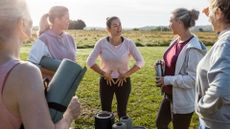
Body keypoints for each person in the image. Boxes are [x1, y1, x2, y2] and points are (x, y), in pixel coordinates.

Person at [0, 0, 80, 129]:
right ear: (22, 24)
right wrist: (70, 114)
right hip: (52, 96)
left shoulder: (69, 38)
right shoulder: (25, 73)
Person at [155, 8, 207, 129]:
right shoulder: (176, 41)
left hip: (183, 100)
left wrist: (166, 80)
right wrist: (162, 65)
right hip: (169, 94)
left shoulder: (194, 48)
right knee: (160, 123)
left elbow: (192, 79)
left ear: (179, 22)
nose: (169, 25)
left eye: (170, 21)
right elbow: (175, 64)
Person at [86, 16, 144, 118]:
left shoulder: (129, 43)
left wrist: (127, 74)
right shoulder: (101, 43)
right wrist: (104, 73)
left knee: (122, 112)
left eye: (120, 25)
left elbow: (140, 61)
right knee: (106, 112)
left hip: (123, 81)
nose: (119, 28)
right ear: (108, 29)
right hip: (106, 81)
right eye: (115, 26)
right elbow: (90, 61)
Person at [195, 0, 230, 129]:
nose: (208, 18)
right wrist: (211, 13)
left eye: (210, 13)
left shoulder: (226, 43)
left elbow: (222, 90)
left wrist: (202, 108)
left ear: (219, 13)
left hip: (217, 123)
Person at [28, 6, 76, 80]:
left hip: (69, 84)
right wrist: (56, 74)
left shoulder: (70, 38)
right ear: (57, 19)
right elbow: (32, 65)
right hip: (52, 87)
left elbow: (73, 61)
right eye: (66, 18)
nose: (69, 21)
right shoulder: (44, 39)